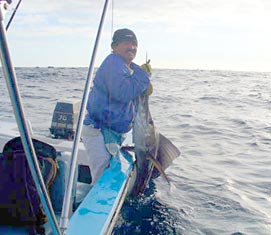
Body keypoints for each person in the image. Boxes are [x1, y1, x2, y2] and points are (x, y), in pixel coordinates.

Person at [82, 28, 152, 184]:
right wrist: (143, 76)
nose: (132, 47)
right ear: (114, 46)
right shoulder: (113, 63)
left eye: (134, 44)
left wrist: (139, 73)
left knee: (106, 176)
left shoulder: (126, 68)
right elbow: (123, 93)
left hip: (111, 134)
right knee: (101, 180)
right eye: (126, 43)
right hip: (99, 132)